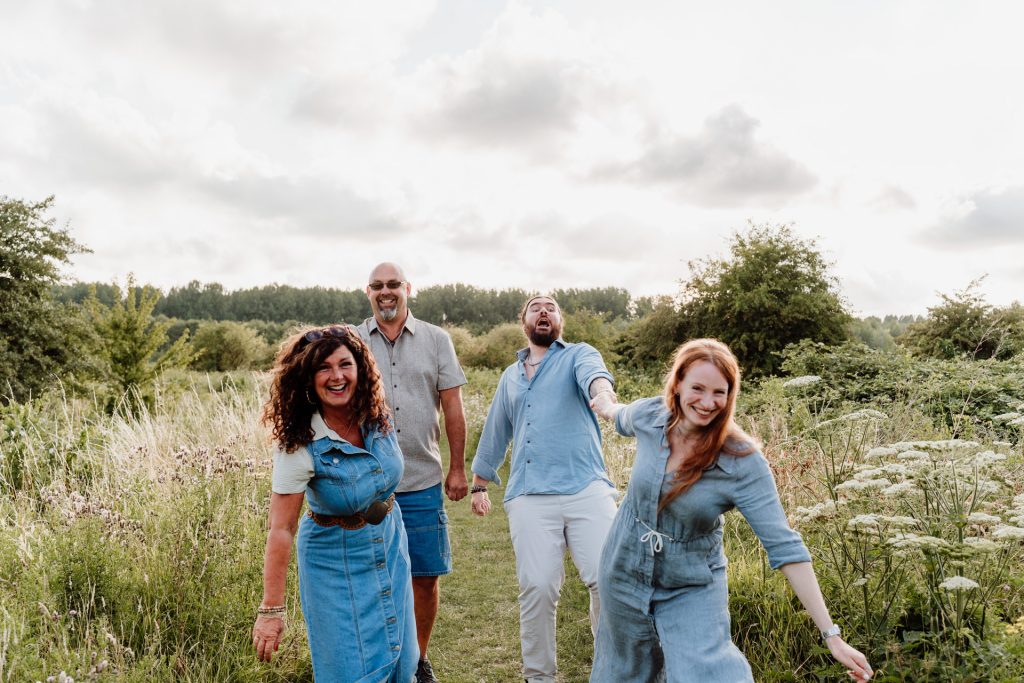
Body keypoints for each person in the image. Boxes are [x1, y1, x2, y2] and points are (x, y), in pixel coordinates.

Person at [587, 338, 873, 682]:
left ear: (730, 395)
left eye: (719, 392)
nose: (707, 403)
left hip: (690, 582)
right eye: (697, 388)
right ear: (677, 384)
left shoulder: (742, 461)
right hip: (624, 567)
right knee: (624, 672)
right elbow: (618, 414)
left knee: (707, 673)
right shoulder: (650, 416)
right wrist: (604, 401)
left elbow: (786, 547)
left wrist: (832, 636)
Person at [253, 325, 417, 683]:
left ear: (361, 369)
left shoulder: (375, 415)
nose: (337, 376)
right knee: (348, 670)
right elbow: (281, 528)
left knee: (402, 664)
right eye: (323, 368)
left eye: (345, 364)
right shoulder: (300, 442)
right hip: (333, 566)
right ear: (308, 378)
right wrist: (271, 610)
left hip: (389, 548)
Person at [470, 294, 619, 683]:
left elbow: (596, 377)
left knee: (607, 579)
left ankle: (612, 671)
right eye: (535, 307)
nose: (544, 311)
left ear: (559, 322)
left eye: (551, 307)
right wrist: (479, 484)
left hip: (587, 487)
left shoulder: (578, 355)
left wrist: (604, 398)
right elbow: (496, 430)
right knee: (537, 587)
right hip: (529, 494)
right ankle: (538, 677)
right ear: (524, 322)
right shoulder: (510, 376)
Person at [356, 262, 468, 683]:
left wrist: (457, 469)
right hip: (369, 483)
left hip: (422, 479)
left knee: (424, 576)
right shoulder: (352, 340)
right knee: (373, 578)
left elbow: (453, 407)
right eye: (377, 286)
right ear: (368, 292)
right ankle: (380, 661)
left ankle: (418, 660)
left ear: (407, 288)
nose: (386, 292)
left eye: (393, 285)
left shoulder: (437, 340)